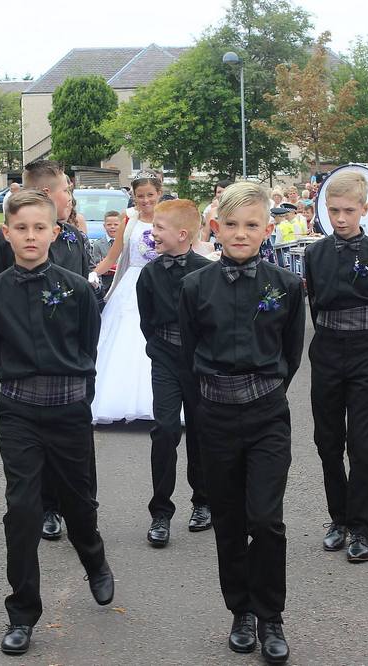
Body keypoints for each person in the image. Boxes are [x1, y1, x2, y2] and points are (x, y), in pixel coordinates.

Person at [0, 189, 113, 655]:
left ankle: (93, 558)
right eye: (21, 228)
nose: (30, 236)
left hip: (68, 410)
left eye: (40, 228)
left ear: (56, 233)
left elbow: (89, 349)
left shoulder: (76, 289)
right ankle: (22, 612)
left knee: (78, 504)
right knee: (22, 511)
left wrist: (75, 397)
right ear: (7, 233)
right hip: (18, 411)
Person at [180, 181, 304, 664]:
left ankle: (271, 615)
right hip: (214, 415)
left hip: (267, 413)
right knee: (229, 519)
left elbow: (290, 354)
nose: (240, 233)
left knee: (265, 519)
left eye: (251, 225)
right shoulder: (194, 286)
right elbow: (189, 353)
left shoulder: (287, 286)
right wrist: (208, 404)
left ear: (267, 229)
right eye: (231, 225)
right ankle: (241, 611)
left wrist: (264, 392)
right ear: (215, 227)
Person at [0, 159, 90, 541]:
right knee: (29, 458)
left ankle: (73, 514)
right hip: (23, 368)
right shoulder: (1, 243)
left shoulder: (74, 238)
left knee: (71, 462)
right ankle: (48, 507)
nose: (70, 197)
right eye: (66, 191)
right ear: (47, 193)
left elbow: (87, 314)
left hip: (67, 368)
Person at [304, 171, 368, 562]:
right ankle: (337, 519)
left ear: (365, 209)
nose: (340, 218)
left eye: (348, 210)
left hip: (364, 351)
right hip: (326, 349)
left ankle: (361, 527)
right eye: (333, 210)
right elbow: (314, 305)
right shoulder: (314, 254)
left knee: (362, 445)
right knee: (328, 442)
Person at [135, 199, 212, 547]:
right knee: (165, 429)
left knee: (200, 431)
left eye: (159, 228)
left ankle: (203, 502)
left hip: (199, 363)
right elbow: (147, 321)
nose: (154, 233)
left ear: (182, 234)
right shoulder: (150, 273)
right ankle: (161, 512)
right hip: (165, 359)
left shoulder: (207, 272)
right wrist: (160, 349)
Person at [87, 171, 164, 423]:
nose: (145, 200)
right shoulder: (128, 220)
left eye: (150, 195)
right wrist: (92, 274)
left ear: (158, 194)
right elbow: (113, 256)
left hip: (161, 283)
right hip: (131, 284)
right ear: (133, 196)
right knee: (124, 336)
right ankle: (117, 399)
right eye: (140, 196)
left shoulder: (167, 218)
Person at [89, 210, 121, 295]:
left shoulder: (125, 243)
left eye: (116, 224)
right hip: (105, 283)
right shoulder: (98, 244)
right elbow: (96, 264)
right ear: (104, 226)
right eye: (109, 225)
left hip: (120, 281)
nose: (112, 227)